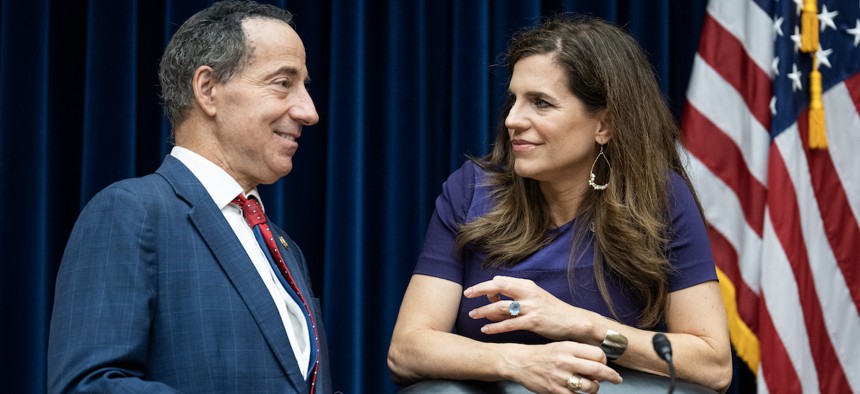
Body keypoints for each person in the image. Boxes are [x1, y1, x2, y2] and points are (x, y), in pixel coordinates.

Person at [388, 15, 732, 394]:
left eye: (540, 103)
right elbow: (407, 349)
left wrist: (583, 326)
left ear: (604, 124)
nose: (512, 120)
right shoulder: (472, 188)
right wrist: (521, 363)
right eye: (514, 100)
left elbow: (712, 364)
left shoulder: (662, 198)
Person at [47, 1, 330, 393]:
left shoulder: (285, 248)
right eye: (283, 83)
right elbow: (88, 385)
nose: (309, 111)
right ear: (208, 89)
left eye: (304, 87)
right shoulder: (133, 212)